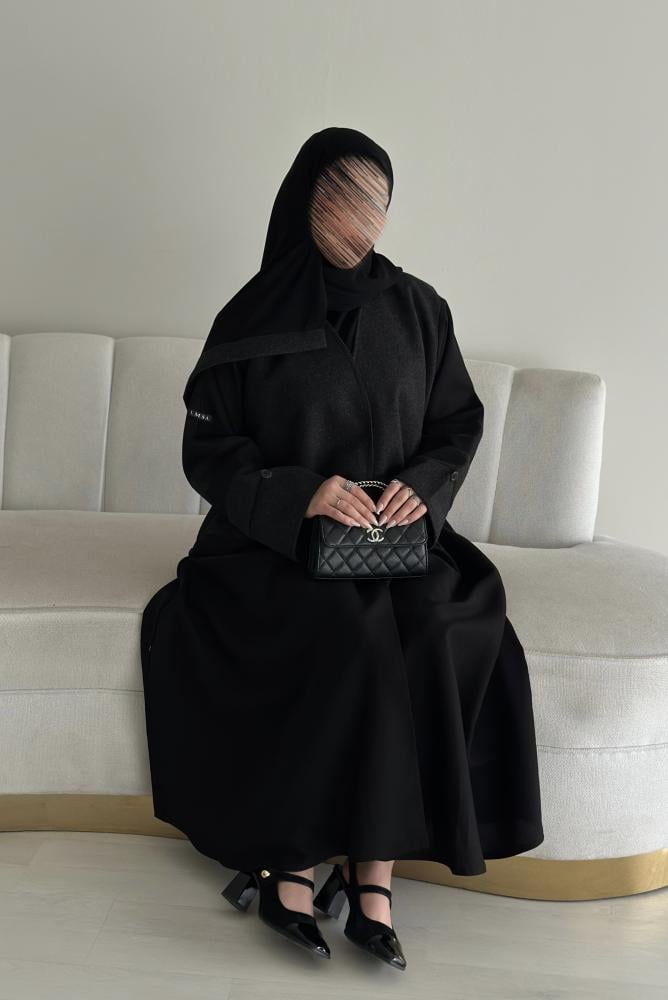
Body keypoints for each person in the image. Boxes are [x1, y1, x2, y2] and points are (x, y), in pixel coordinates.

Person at [140, 126, 544, 972]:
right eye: (343, 194)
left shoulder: (419, 309)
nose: (362, 215)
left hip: (393, 542)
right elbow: (208, 451)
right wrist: (304, 494)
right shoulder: (250, 316)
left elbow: (457, 422)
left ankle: (372, 873)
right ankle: (291, 858)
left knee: (442, 625)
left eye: (376, 199)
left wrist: (420, 490)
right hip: (272, 544)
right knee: (346, 635)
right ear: (303, 200)